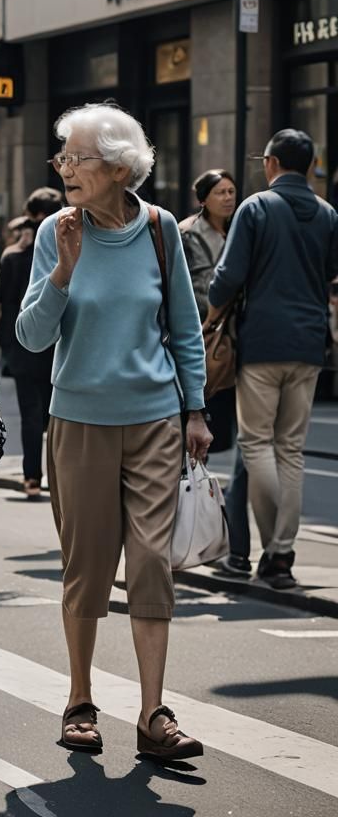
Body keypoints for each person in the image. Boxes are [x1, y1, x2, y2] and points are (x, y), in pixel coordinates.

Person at [17, 103, 210, 763]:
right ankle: (79, 699)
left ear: (120, 167)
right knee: (87, 568)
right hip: (79, 423)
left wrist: (195, 410)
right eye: (61, 158)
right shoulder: (55, 232)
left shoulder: (159, 231)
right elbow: (31, 336)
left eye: (76, 158)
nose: (64, 168)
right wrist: (63, 272)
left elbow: (184, 328)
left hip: (154, 420)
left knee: (152, 563)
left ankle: (153, 713)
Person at [209, 129, 338, 590]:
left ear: (271, 163)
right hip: (309, 345)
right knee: (292, 451)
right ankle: (282, 554)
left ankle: (275, 551)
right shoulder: (327, 213)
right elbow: (330, 272)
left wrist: (209, 307)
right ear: (308, 165)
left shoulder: (257, 207)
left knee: (256, 444)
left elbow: (228, 276)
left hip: (261, 343)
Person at [178, 169, 249, 577]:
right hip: (207, 337)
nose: (228, 197)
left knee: (230, 437)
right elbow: (194, 287)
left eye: (232, 191)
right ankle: (186, 527)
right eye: (220, 192)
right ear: (203, 198)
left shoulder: (239, 229)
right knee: (195, 438)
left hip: (233, 338)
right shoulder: (190, 233)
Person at [0, 187, 64, 498]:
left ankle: (32, 477)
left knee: (30, 414)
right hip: (57, 345)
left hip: (21, 345)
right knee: (59, 417)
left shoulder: (13, 257)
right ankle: (60, 478)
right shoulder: (67, 253)